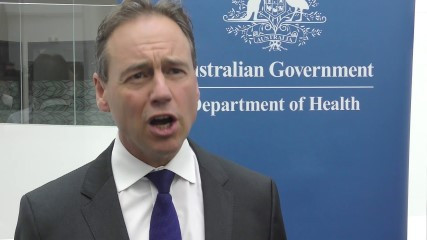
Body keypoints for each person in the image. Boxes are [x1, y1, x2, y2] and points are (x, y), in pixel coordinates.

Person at [14, 0, 286, 239]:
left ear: (196, 81)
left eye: (175, 70)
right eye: (139, 75)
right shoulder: (47, 218)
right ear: (101, 92)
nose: (161, 92)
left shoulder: (257, 200)